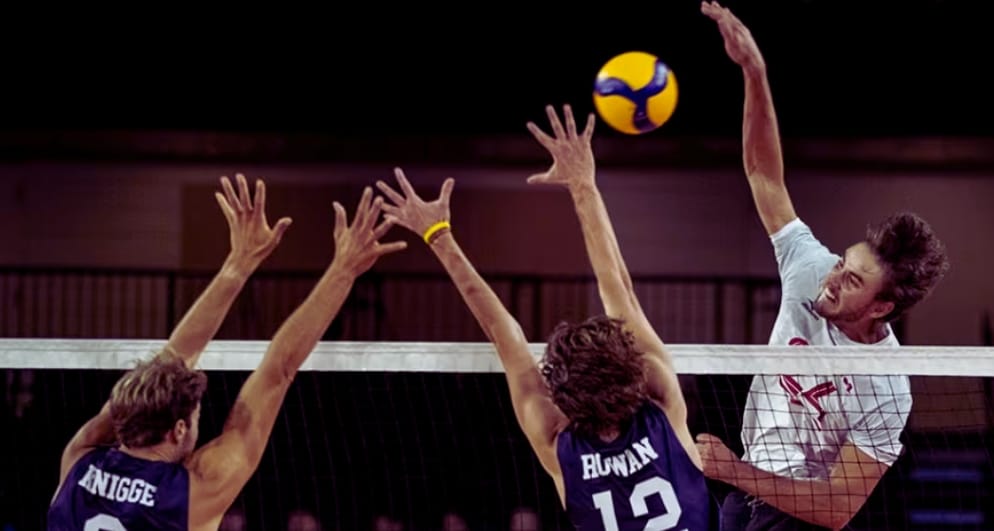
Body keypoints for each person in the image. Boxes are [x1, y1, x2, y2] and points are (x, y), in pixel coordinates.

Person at [376, 104, 710, 530]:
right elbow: (618, 289)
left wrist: (438, 236)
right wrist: (584, 185)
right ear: (632, 369)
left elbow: (503, 334)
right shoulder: (662, 399)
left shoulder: (556, 440)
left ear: (561, 391)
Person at [696, 3, 951, 530]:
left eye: (852, 280)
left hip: (797, 515)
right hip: (741, 501)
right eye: (842, 263)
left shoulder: (887, 388)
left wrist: (732, 470)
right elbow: (764, 176)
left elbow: (836, 509)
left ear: (882, 306)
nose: (833, 279)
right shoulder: (811, 271)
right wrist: (755, 72)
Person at [47, 177, 405, 530]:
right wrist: (344, 270)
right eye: (197, 416)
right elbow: (276, 372)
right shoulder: (195, 491)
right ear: (179, 429)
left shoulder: (78, 461)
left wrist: (239, 264)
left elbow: (170, 362)